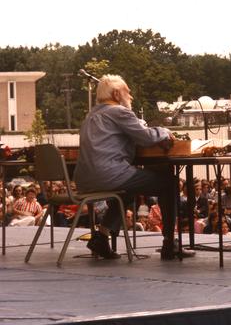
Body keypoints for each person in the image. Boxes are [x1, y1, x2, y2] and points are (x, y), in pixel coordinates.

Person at [74, 74, 195, 260]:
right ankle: (170, 244)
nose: (130, 97)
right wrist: (164, 131)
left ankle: (102, 237)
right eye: (127, 92)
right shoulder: (119, 112)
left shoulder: (90, 116)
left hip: (84, 181)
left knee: (127, 191)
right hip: (109, 175)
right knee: (169, 183)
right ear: (116, 94)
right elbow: (146, 137)